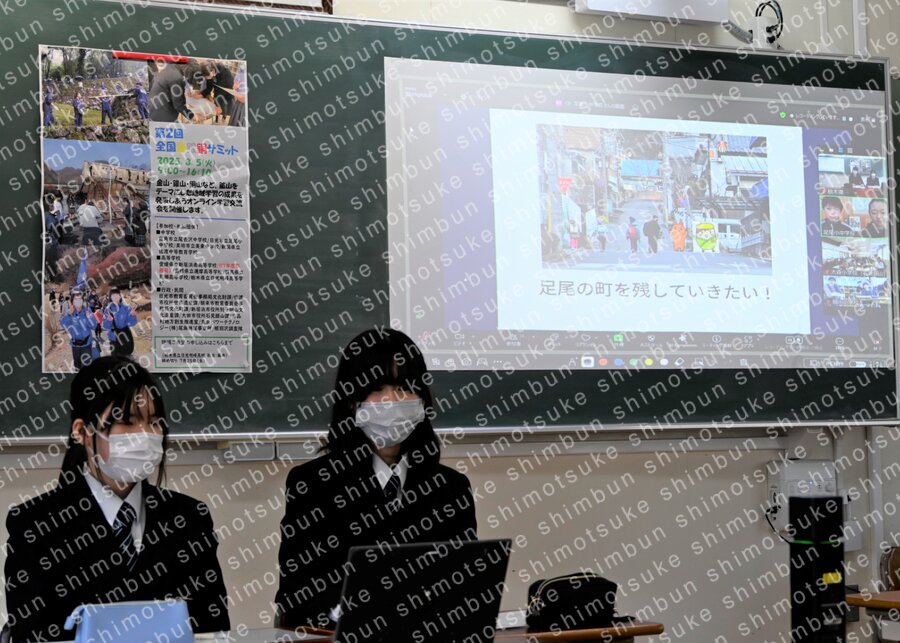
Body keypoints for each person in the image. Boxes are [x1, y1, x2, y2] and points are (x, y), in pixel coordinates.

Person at [4, 356, 231, 642]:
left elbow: (212, 627)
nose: (145, 434)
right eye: (127, 421)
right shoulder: (35, 525)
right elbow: (31, 634)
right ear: (81, 431)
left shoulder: (189, 517)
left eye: (153, 422)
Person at [276, 328, 477, 629]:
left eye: (404, 387)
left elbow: (465, 589)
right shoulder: (313, 485)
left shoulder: (451, 488)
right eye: (377, 388)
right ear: (351, 401)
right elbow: (296, 597)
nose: (391, 400)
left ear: (423, 400)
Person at [60, 291, 97, 370]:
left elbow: (94, 326)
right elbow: (63, 325)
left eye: (80, 299)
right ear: (72, 301)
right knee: (77, 366)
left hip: (86, 344)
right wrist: (68, 315)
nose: (78, 301)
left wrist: (89, 318)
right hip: (75, 345)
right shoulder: (70, 312)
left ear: (83, 300)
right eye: (76, 299)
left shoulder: (87, 311)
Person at [104, 287, 138, 357]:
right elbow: (105, 326)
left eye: (117, 295)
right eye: (113, 295)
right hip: (113, 338)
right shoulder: (108, 309)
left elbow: (132, 323)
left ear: (120, 296)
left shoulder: (126, 308)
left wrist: (132, 315)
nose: (115, 297)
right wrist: (109, 320)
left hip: (125, 337)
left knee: (125, 357)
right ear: (110, 297)